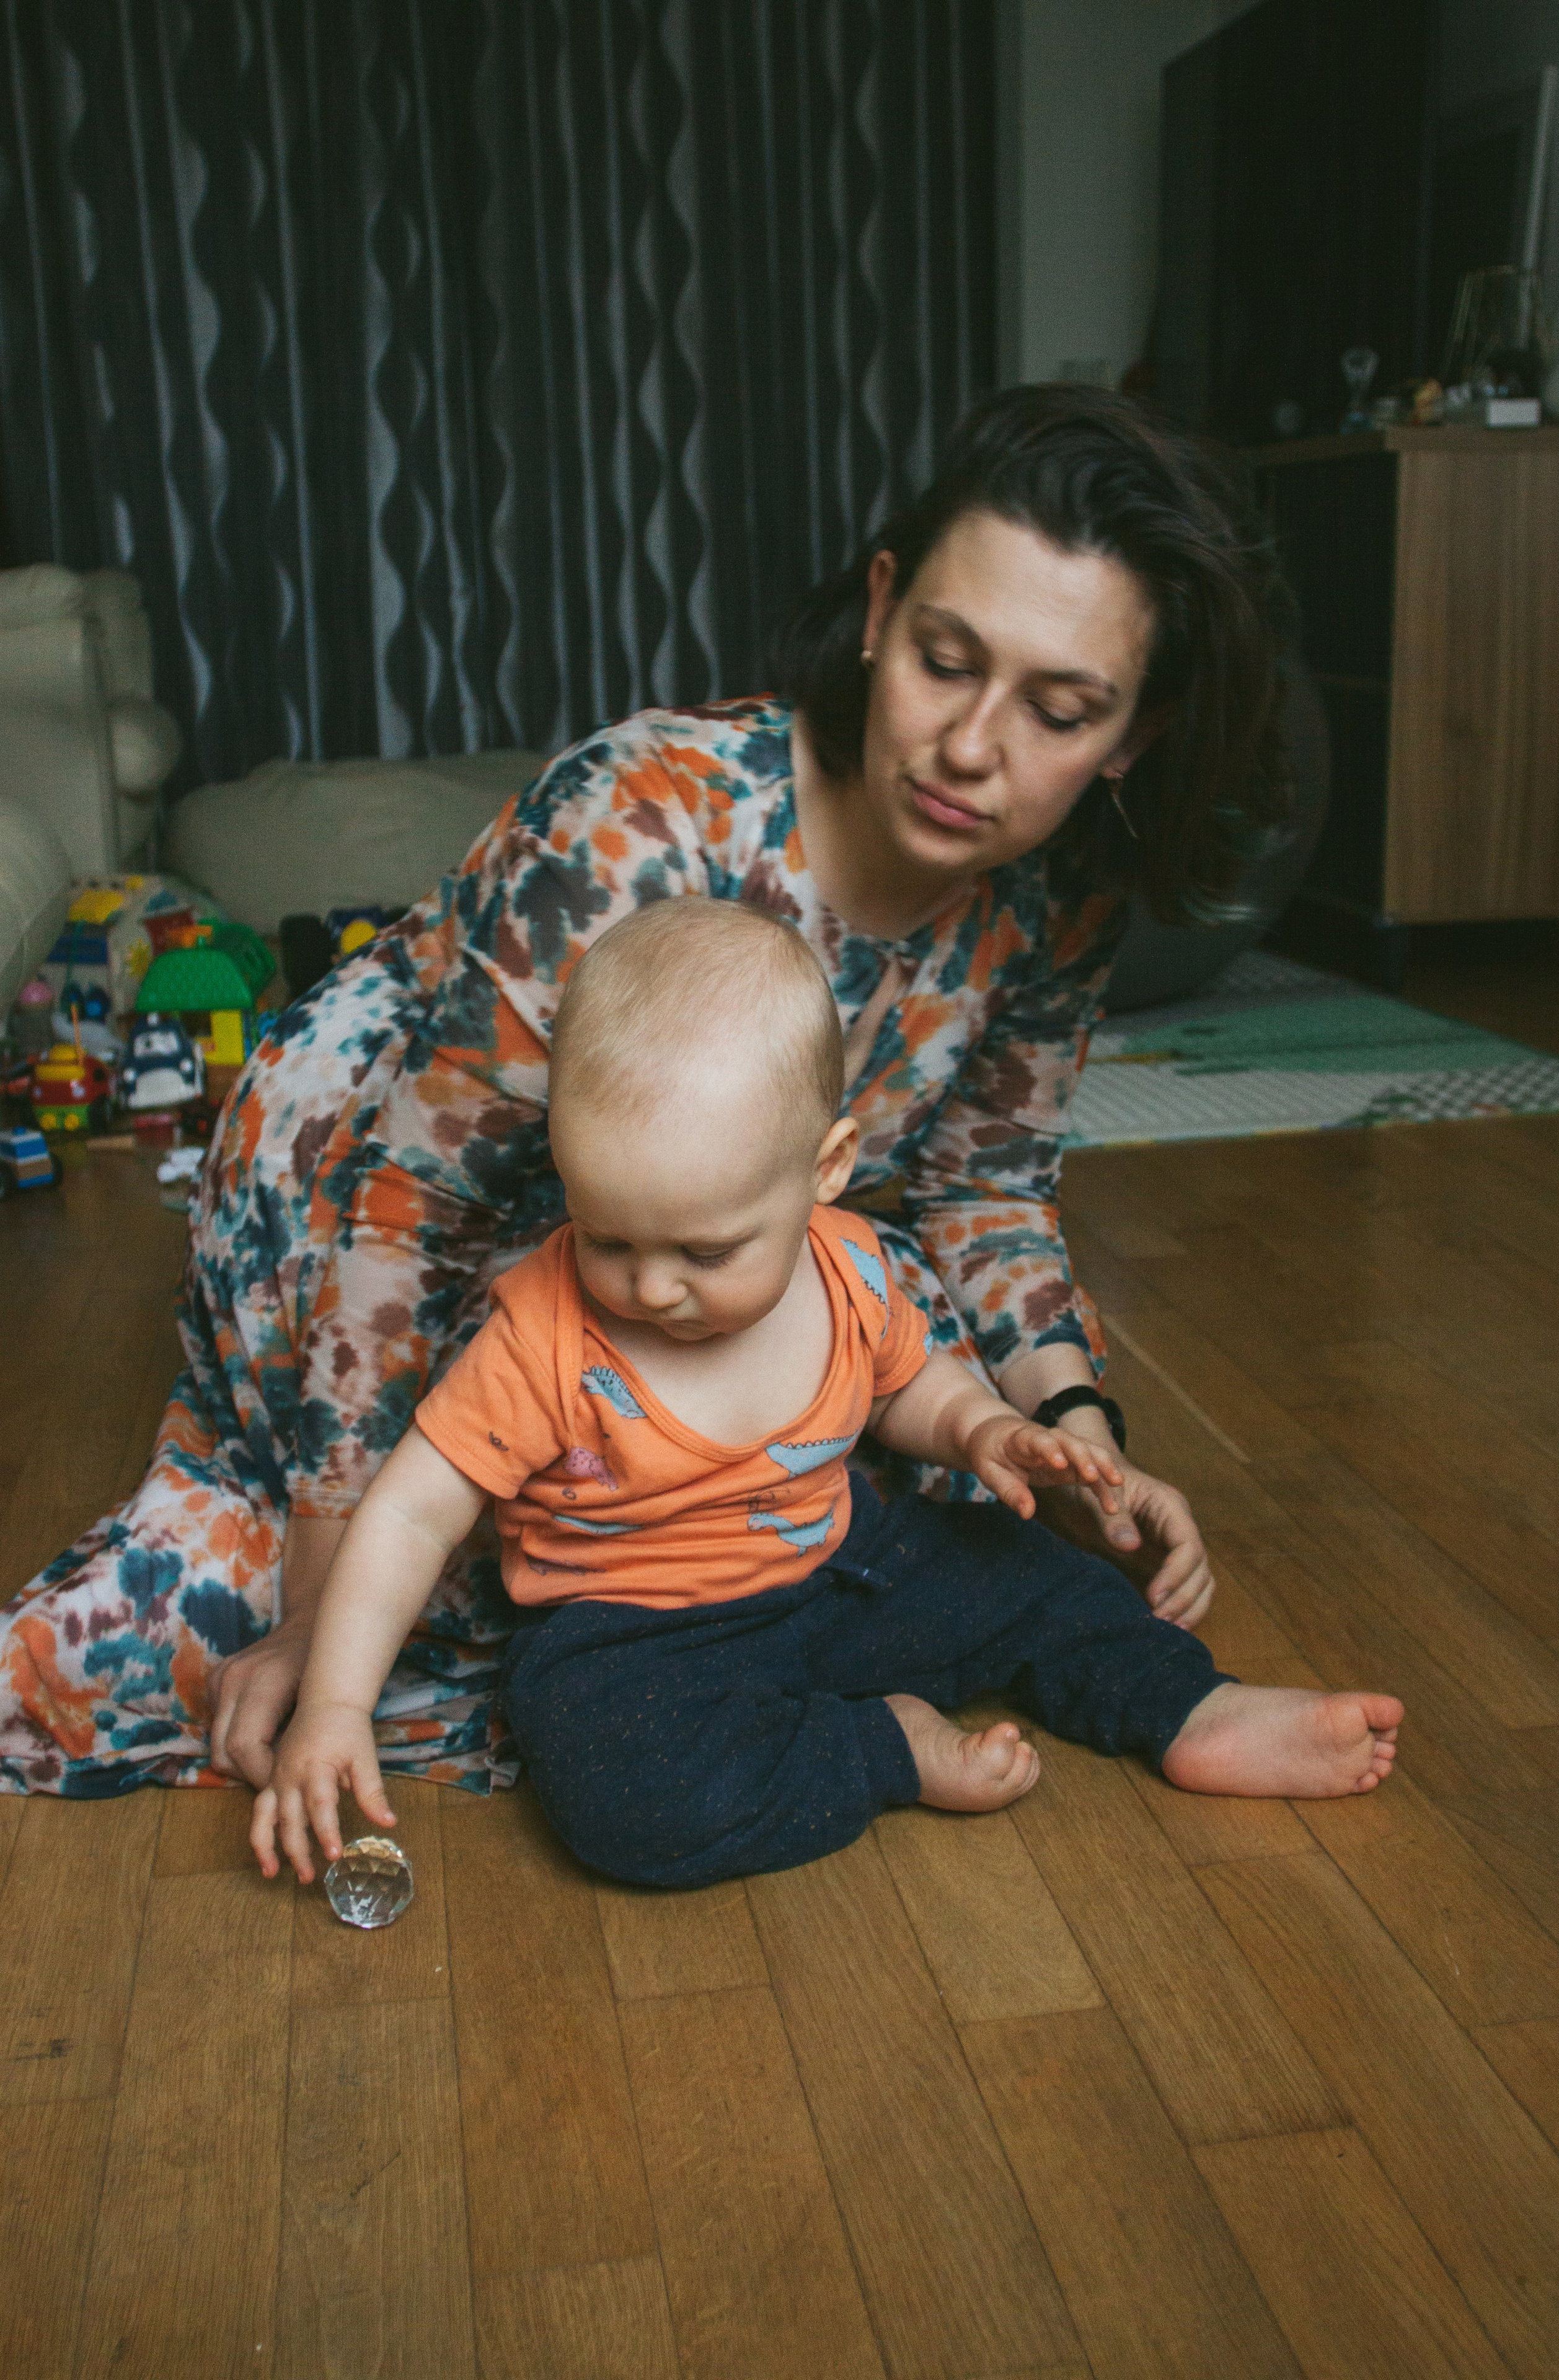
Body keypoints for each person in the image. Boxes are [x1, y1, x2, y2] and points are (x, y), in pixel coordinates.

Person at [0, 384, 1296, 1799]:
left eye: (1057, 711)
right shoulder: (641, 820)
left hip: (694, 1253)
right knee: (386, 1610)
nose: (971, 746)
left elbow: (985, 1187)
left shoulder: (1061, 893)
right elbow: (404, 1204)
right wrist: (320, 1604)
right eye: (941, 659)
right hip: (377, 1211)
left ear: (1131, 737)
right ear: (877, 612)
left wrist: (1078, 1446)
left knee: (911, 1466)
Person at [252, 905, 1400, 1889]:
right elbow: (409, 1512)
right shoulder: (544, 1331)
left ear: (828, 1169)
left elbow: (915, 1382)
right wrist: (340, 1706)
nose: (652, 1287)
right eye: (607, 1236)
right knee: (614, 1788)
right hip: (637, 1639)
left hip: (849, 1571)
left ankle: (1191, 1711)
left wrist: (985, 1428)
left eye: (705, 1252)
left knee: (1041, 1576)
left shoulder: (853, 1267)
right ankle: (878, 1749)